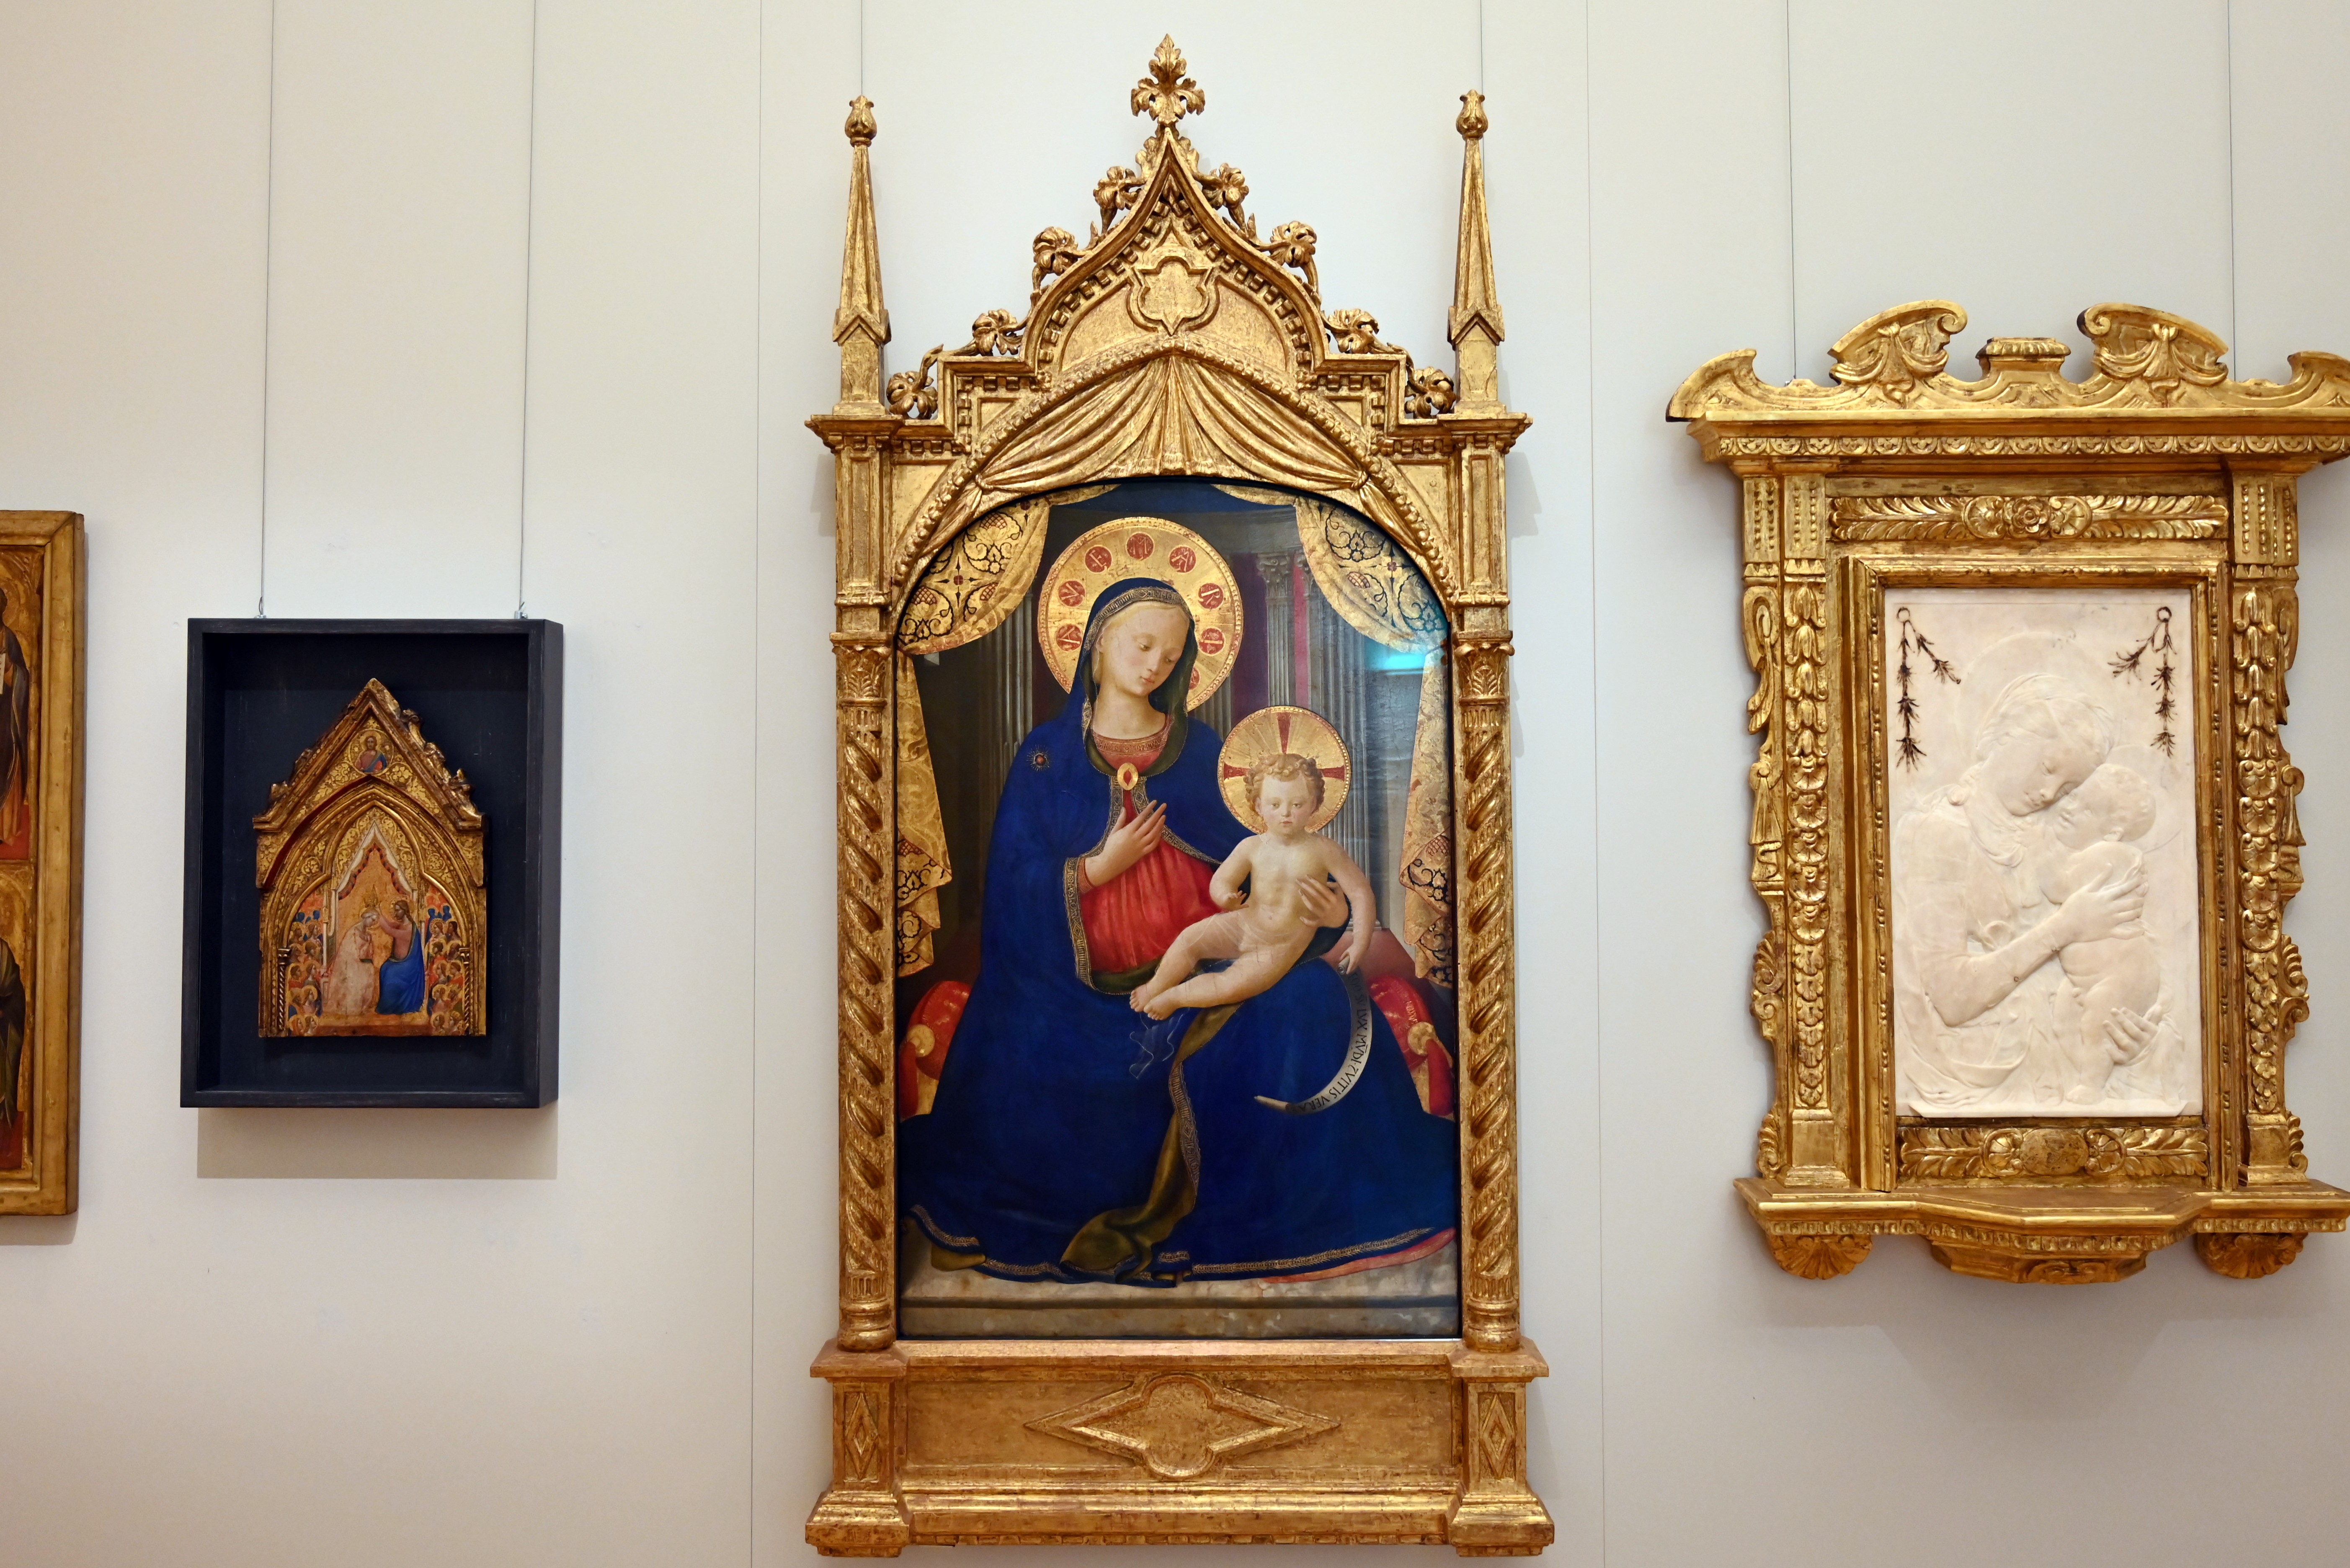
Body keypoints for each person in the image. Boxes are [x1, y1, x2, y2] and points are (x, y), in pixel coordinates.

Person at [898, 576, 1458, 1285]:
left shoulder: (1202, 756)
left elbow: (1275, 869)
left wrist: (1327, 916)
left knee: (1312, 1002)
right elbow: (1012, 884)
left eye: (1171, 654)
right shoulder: (1045, 757)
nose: (1155, 666)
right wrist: (1095, 870)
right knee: (1016, 1040)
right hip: (1071, 991)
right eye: (1142, 646)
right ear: (1097, 645)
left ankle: (1288, 1214)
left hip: (1217, 974)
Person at [1893, 674, 2163, 1110]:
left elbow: (2131, 955)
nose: (2048, 794)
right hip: (1978, 1075)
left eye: (2068, 788)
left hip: (2060, 1067)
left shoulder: (2059, 835)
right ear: (2006, 734)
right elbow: (1952, 999)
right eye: (2048, 768)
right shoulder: (1940, 833)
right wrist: (2065, 926)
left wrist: (2125, 1032)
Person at [1130, 752, 1374, 1020]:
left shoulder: (1325, 850)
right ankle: (1155, 986)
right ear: (1258, 806)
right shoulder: (1251, 847)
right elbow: (1221, 881)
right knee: (1190, 940)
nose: (1286, 813)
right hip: (1243, 924)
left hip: (1280, 947)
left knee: (1229, 986)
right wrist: (1225, 897)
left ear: (1314, 804)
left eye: (1297, 804)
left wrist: (1360, 943)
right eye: (1275, 804)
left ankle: (1176, 997)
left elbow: (1360, 893)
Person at [2038, 763, 2164, 1101]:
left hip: (2119, 975)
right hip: (2091, 976)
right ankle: (2079, 1076)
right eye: (2072, 797)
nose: (2069, 808)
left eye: (2086, 808)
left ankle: (2092, 1085)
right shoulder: (2099, 852)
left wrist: (2040, 844)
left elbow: (2057, 887)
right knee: (2068, 1019)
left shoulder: (2108, 855)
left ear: (2112, 831)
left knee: (2098, 1023)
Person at [322, 908, 382, 1017]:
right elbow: (348, 952)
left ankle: (364, 1007)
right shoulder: (353, 932)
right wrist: (359, 963)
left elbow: (371, 953)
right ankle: (353, 1010)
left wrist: (368, 962)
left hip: (365, 965)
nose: (373, 923)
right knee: (359, 978)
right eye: (372, 920)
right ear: (366, 917)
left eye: (375, 921)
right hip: (352, 965)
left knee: (371, 973)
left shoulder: (368, 935)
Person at [374, 898, 426, 1016]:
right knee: (385, 968)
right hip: (397, 961)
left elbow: (389, 930)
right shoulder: (402, 925)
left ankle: (391, 1007)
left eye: (398, 911)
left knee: (390, 974)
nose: (396, 913)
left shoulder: (410, 930)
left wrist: (378, 915)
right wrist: (379, 911)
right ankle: (389, 1004)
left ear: (405, 911)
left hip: (408, 965)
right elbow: (390, 924)